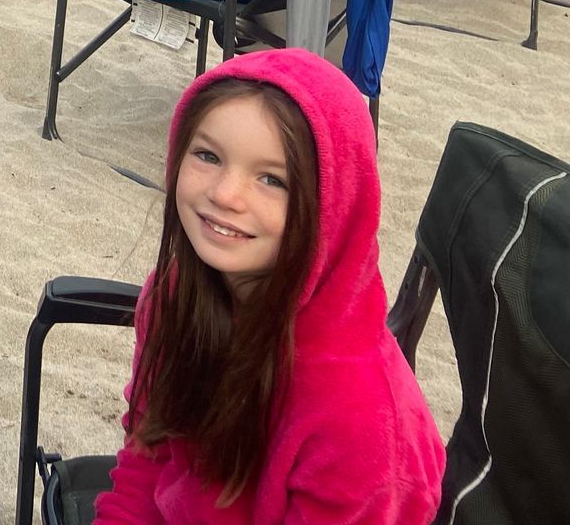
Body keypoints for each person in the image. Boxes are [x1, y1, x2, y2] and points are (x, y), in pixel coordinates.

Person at [96, 50, 445, 524]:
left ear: (332, 206)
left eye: (271, 179)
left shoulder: (362, 427)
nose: (225, 194)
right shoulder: (176, 295)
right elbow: (146, 457)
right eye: (207, 155)